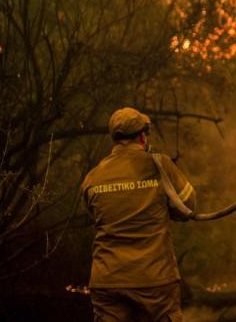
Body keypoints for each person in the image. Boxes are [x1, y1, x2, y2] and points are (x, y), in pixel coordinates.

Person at [81, 107, 196, 321]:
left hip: (107, 281)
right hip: (155, 281)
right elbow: (189, 206)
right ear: (142, 136)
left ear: (114, 138)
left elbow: (94, 216)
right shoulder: (160, 165)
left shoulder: (92, 177)